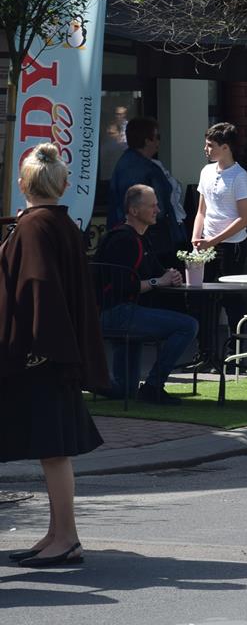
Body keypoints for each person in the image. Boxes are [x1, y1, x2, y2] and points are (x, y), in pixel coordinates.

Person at [0, 143, 107, 568]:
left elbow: (38, 288)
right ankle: (58, 533)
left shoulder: (34, 227)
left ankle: (66, 537)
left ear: (22, 183)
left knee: (54, 448)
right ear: (62, 185)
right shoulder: (56, 224)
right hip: (51, 356)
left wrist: (40, 350)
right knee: (53, 449)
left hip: (40, 357)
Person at [95, 185, 199, 404]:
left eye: (156, 205)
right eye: (152, 205)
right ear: (134, 211)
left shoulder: (142, 238)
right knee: (187, 325)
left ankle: (83, 380)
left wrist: (171, 276)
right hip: (115, 313)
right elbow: (121, 286)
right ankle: (153, 387)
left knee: (125, 390)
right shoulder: (122, 240)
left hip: (127, 312)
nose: (157, 210)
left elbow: (158, 271)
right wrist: (157, 281)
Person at [192, 122, 247, 363]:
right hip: (206, 244)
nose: (206, 149)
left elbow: (244, 218)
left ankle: (234, 355)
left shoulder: (239, 176)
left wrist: (214, 240)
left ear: (226, 147)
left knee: (230, 299)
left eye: (211, 145)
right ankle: (205, 353)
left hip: (232, 245)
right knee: (204, 298)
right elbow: (201, 210)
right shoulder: (206, 171)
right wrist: (196, 237)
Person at [108, 117, 185, 263]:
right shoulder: (142, 169)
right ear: (147, 140)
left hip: (142, 239)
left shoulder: (129, 163)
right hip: (151, 242)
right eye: (157, 137)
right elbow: (154, 209)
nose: (158, 142)